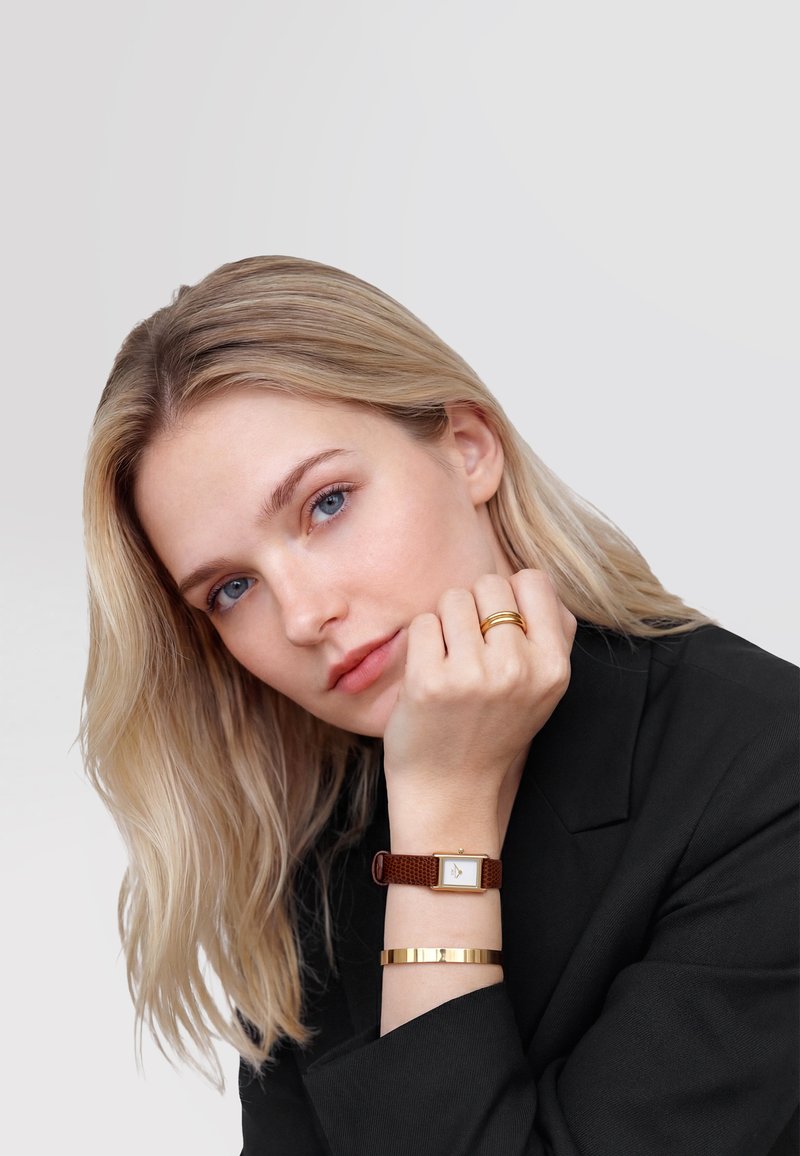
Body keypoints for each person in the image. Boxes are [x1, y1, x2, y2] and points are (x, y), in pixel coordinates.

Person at [82, 255, 798, 1155]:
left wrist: (443, 826)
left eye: (326, 504)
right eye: (231, 588)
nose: (302, 616)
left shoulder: (767, 773)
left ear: (468, 447)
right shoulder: (317, 834)